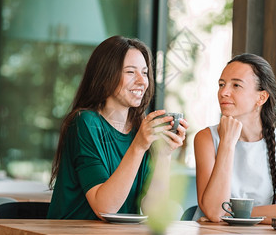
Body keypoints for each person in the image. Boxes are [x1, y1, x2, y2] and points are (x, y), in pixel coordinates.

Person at [47, 35, 188, 220]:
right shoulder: (85, 123)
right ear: (105, 76)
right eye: (130, 72)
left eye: (145, 73)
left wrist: (164, 154)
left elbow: (153, 210)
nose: (141, 81)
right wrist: (138, 146)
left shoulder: (140, 129)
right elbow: (105, 208)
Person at [193, 53, 276, 224]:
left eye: (236, 85)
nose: (224, 92)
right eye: (221, 84)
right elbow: (215, 212)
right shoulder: (206, 138)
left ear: (261, 97)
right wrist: (227, 144)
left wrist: (233, 214)